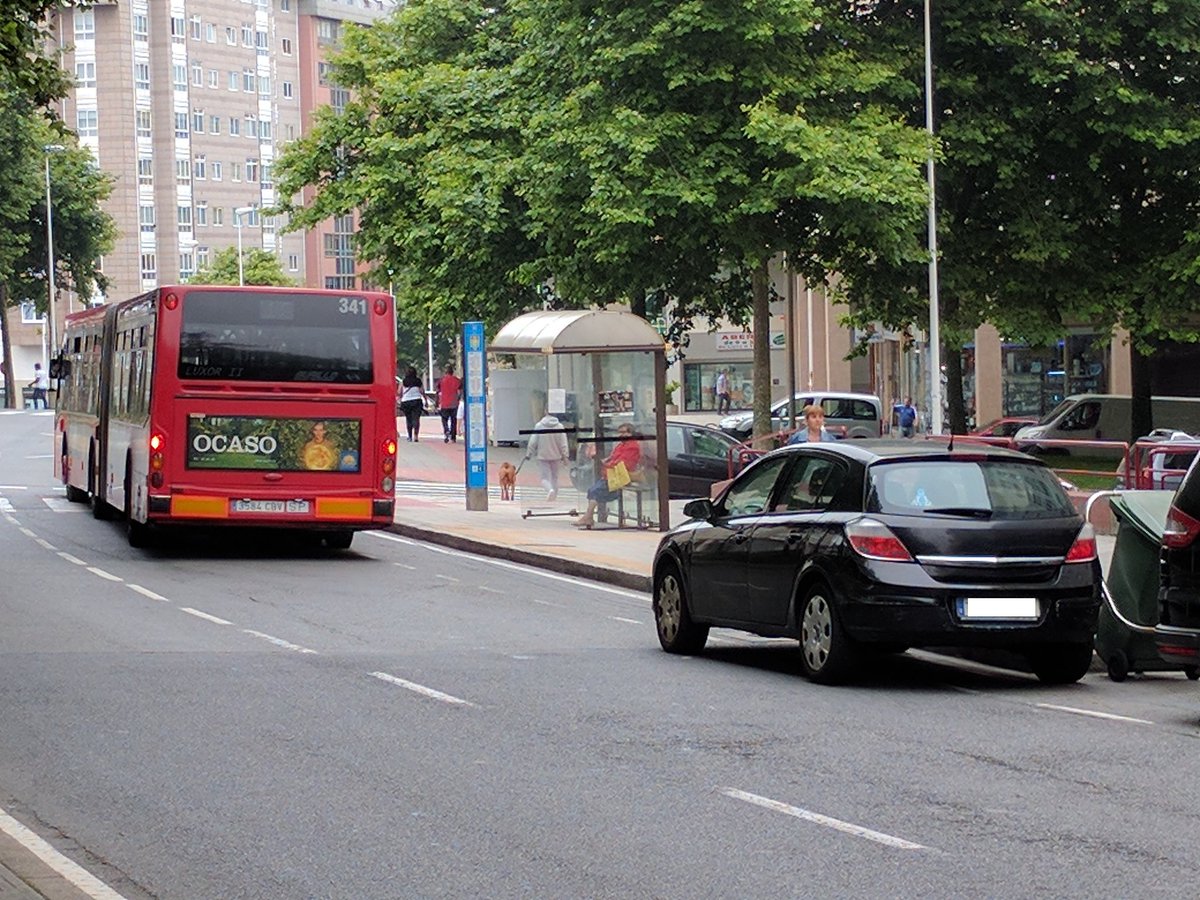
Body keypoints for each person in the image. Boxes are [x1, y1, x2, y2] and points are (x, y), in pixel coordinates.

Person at [574, 423, 641, 528]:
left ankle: (588, 517)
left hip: (621, 476)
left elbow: (624, 463)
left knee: (596, 491)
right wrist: (606, 461)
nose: (621, 435)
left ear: (631, 433)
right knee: (592, 490)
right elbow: (613, 457)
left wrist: (609, 464)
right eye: (620, 432)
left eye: (624, 432)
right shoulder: (621, 445)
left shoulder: (632, 446)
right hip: (611, 474)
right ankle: (589, 516)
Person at [525, 409, 570, 501]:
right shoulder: (560, 426)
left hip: (543, 456)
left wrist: (529, 453)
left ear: (545, 411)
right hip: (556, 456)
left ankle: (550, 490)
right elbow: (563, 443)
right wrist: (565, 456)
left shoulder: (539, 426)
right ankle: (554, 496)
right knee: (555, 477)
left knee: (544, 478)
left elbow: (533, 442)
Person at [437, 364, 462, 443]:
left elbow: (438, 391)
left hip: (444, 403)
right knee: (453, 420)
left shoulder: (441, 380)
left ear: (445, 372)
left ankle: (446, 430)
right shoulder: (457, 380)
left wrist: (437, 403)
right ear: (452, 372)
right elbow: (460, 391)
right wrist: (458, 398)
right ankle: (453, 437)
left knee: (444, 419)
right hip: (454, 403)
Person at [399, 366, 425, 442]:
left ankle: (409, 436)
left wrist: (400, 398)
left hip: (406, 401)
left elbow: (399, 392)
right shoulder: (418, 381)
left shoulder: (403, 381)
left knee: (408, 419)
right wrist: (426, 400)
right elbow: (422, 391)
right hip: (417, 401)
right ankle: (416, 436)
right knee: (416, 418)